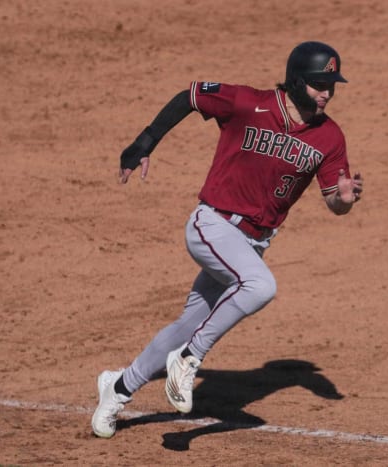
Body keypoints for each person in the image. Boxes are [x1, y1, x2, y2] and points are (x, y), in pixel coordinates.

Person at [91, 40, 363, 438]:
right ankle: (190, 358)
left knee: (186, 325)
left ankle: (117, 387)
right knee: (259, 285)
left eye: (331, 86)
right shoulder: (247, 103)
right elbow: (190, 96)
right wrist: (144, 143)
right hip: (213, 224)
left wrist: (344, 199)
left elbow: (333, 202)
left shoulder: (330, 137)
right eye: (319, 84)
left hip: (252, 243)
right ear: (297, 80)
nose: (326, 93)